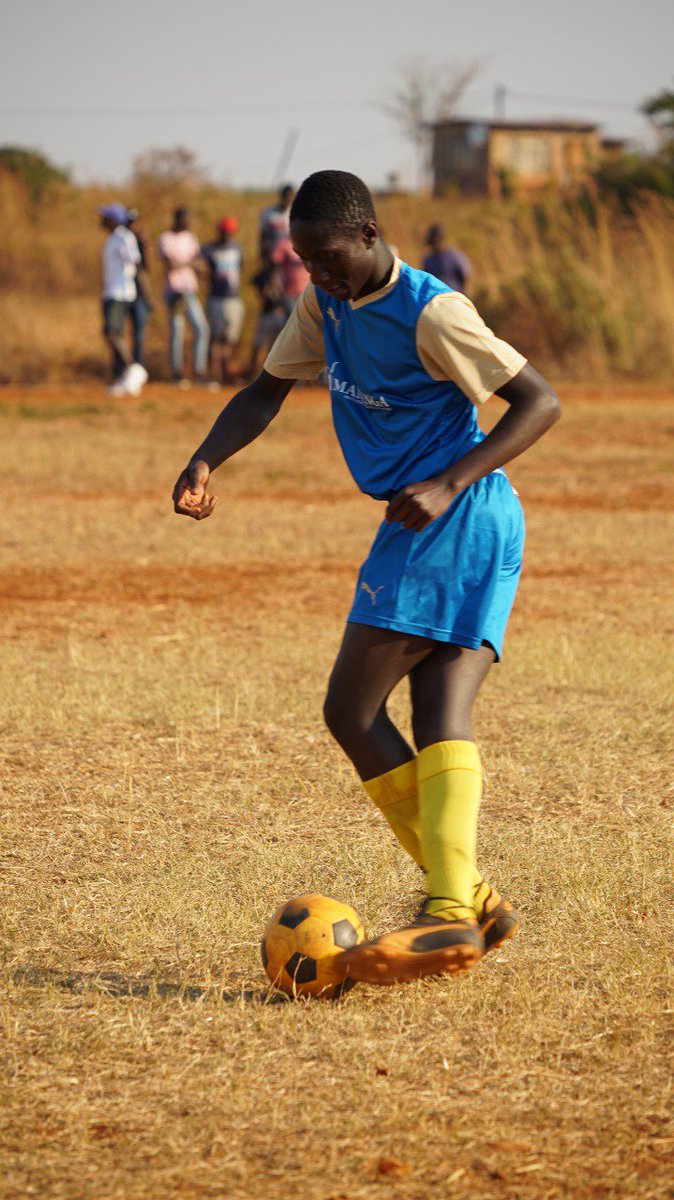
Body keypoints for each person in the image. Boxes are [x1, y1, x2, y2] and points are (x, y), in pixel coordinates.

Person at [172, 170, 560, 987]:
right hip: (434, 522)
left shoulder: (433, 309)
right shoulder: (327, 305)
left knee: (352, 707)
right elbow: (266, 390)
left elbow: (538, 402)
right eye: (306, 261)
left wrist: (449, 481)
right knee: (431, 709)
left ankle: (460, 904)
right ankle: (464, 905)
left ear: (370, 237)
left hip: (454, 514)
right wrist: (206, 456)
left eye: (330, 258)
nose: (319, 275)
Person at [98, 203, 148, 397]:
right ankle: (122, 376)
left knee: (112, 333)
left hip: (120, 293)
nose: (101, 221)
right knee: (112, 333)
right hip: (112, 292)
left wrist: (146, 295)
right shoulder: (113, 238)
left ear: (112, 219)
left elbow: (135, 263)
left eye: (104, 217)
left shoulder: (123, 237)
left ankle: (133, 371)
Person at [157, 207, 210, 387]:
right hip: (174, 291)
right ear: (178, 219)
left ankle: (198, 371)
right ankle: (177, 374)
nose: (189, 222)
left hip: (189, 290)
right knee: (177, 331)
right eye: (187, 219)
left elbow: (201, 266)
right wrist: (190, 263)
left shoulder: (191, 238)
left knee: (201, 328)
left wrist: (187, 264)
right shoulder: (166, 238)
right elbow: (170, 265)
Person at [200, 217, 245, 384]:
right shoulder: (209, 249)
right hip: (216, 298)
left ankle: (226, 376)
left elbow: (241, 268)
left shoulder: (237, 248)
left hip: (233, 298)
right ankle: (214, 376)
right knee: (216, 338)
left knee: (229, 340)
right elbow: (203, 269)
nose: (227, 235)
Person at [244, 261, 287, 380]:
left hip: (279, 314)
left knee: (274, 349)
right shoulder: (263, 275)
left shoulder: (282, 273)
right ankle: (252, 375)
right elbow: (254, 283)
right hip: (266, 313)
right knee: (258, 346)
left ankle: (269, 377)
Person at [125, 208, 154, 370]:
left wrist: (145, 245)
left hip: (139, 294)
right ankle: (125, 368)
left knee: (138, 333)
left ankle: (137, 368)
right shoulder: (122, 240)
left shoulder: (138, 241)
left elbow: (145, 269)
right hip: (125, 292)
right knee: (121, 333)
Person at [422, 223, 472, 293]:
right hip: (435, 299)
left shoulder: (454, 257)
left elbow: (464, 275)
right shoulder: (428, 260)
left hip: (453, 297)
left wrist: (461, 292)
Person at [270, 234, 309, 316]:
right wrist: (276, 287)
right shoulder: (284, 243)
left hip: (308, 294)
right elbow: (275, 268)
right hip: (290, 294)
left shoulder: (310, 242)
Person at [258, 184, 294, 263]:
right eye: (285, 196)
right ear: (281, 197)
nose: (287, 199)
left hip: (289, 257)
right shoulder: (268, 213)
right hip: (271, 255)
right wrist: (262, 253)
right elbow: (262, 235)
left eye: (290, 196)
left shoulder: (294, 214)